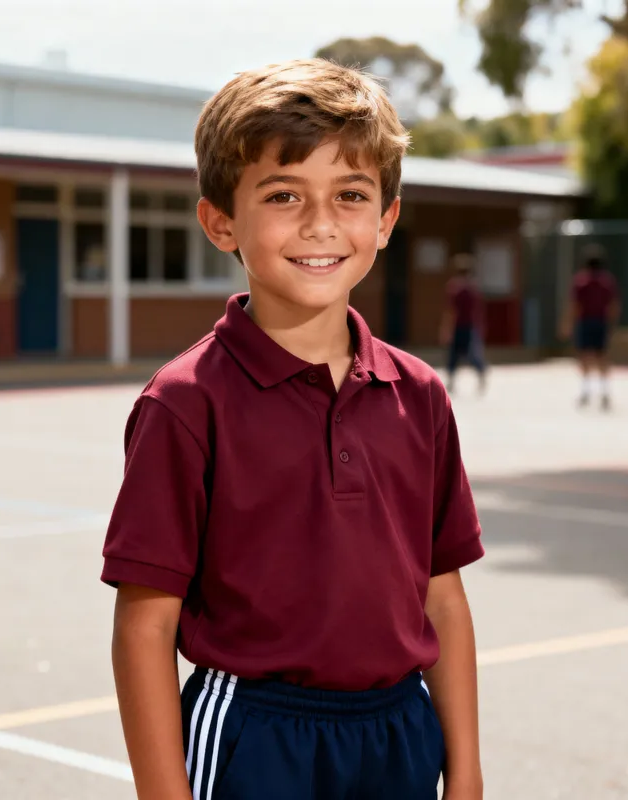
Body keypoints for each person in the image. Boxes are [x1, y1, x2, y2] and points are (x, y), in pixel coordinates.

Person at [101, 59, 484, 800]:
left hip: (400, 728)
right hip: (255, 735)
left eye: (350, 195)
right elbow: (144, 627)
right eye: (283, 195)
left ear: (386, 219)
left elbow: (443, 596)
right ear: (220, 222)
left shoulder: (420, 394)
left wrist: (465, 772)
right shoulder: (185, 403)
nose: (320, 224)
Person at [560, 243, 621, 410]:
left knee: (584, 356)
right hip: (601, 322)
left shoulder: (580, 281)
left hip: (585, 321)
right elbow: (614, 305)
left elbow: (574, 305)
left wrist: (567, 324)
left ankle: (586, 390)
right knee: (602, 357)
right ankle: (604, 391)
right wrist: (612, 325)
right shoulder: (607, 281)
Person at [439, 253, 487, 393]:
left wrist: (446, 329)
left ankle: (451, 381)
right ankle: (481, 375)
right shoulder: (474, 287)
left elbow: (451, 311)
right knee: (473, 353)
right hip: (471, 326)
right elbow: (479, 309)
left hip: (458, 326)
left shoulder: (454, 287)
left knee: (454, 354)